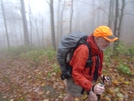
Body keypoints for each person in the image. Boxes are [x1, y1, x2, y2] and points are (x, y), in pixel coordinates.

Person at [63, 26, 118, 101]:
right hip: (76, 79)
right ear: (97, 38)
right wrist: (91, 87)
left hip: (89, 77)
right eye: (106, 40)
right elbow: (75, 73)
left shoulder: (100, 50)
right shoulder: (83, 50)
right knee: (70, 97)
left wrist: (102, 76)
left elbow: (97, 67)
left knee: (93, 98)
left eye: (109, 41)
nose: (108, 44)